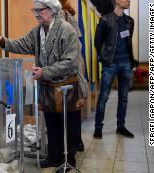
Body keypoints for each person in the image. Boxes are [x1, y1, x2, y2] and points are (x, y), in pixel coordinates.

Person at [0, 0, 80, 172]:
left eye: (40, 10)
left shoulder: (66, 30)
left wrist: (45, 71)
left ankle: (69, 160)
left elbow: (71, 62)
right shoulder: (37, 32)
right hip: (48, 87)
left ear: (51, 10)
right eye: (34, 10)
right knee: (51, 124)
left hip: (66, 88)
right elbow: (20, 44)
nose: (36, 14)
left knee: (67, 125)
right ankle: (53, 157)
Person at [93, 0, 138, 139]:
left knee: (123, 98)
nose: (129, 1)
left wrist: (131, 61)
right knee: (103, 97)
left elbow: (128, 42)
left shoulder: (130, 21)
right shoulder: (105, 20)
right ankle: (98, 128)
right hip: (110, 64)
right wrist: (105, 57)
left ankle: (121, 126)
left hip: (126, 64)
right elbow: (97, 42)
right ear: (117, 1)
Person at [59, 0, 88, 152]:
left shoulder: (62, 15)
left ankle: (71, 143)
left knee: (69, 107)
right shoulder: (70, 15)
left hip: (69, 64)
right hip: (77, 61)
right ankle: (77, 140)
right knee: (75, 106)